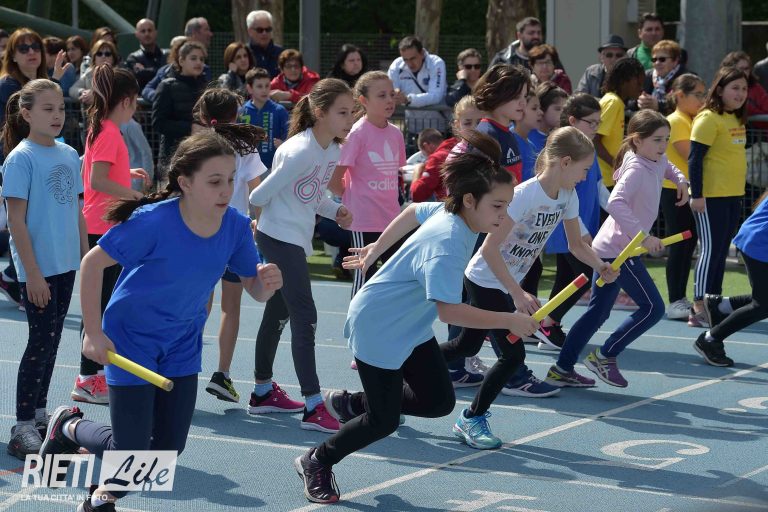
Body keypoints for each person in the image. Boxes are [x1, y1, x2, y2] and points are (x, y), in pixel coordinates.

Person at [40, 131, 282, 512]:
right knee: (132, 449)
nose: (226, 190)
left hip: (182, 343)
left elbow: (254, 288)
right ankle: (72, 435)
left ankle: (91, 471)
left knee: (168, 450)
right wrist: (93, 333)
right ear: (185, 183)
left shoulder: (235, 226)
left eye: (231, 179)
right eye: (215, 181)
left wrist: (265, 284)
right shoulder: (153, 221)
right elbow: (92, 264)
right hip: (131, 340)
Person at [294, 130, 528, 503]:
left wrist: (375, 250)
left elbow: (412, 212)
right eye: (498, 206)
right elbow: (449, 311)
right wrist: (509, 320)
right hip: (378, 327)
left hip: (410, 326)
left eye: (507, 205)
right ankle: (318, 460)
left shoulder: (455, 212)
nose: (504, 215)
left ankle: (356, 402)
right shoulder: (447, 243)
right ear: (470, 199)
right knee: (383, 422)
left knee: (438, 402)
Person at [445, 127, 617, 448]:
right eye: (583, 170)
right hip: (485, 279)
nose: (585, 177)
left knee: (465, 346)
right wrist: (517, 293)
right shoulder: (524, 195)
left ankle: (405, 367)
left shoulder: (567, 196)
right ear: (565, 162)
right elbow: (489, 249)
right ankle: (471, 418)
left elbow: (576, 244)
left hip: (505, 282)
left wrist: (599, 265)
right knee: (512, 356)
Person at [548, 110, 689, 389]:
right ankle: (605, 355)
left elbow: (669, 166)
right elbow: (615, 202)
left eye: (666, 139)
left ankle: (561, 369)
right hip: (618, 251)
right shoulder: (636, 168)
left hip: (616, 248)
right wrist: (643, 236)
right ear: (637, 140)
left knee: (597, 313)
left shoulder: (656, 158)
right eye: (657, 140)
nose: (663, 145)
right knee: (653, 308)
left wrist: (681, 180)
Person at [248, 78, 354, 433]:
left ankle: (262, 392)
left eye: (351, 112)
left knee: (279, 311)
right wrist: (256, 225)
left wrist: (334, 209)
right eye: (343, 112)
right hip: (279, 238)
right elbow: (259, 195)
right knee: (305, 314)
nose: (350, 119)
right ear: (320, 113)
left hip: (292, 238)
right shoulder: (300, 152)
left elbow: (309, 194)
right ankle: (313, 405)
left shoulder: (331, 149)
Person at [2, 79, 87, 459]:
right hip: (38, 269)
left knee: (52, 342)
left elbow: (76, 210)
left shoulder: (69, 154)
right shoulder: (21, 159)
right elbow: (16, 222)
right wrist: (32, 273)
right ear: (26, 113)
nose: (57, 116)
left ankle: (39, 416)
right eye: (48, 109)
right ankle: (22, 425)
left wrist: (85, 257)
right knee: (39, 342)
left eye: (61, 109)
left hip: (65, 265)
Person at [74, 65, 150, 405]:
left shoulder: (101, 127)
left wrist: (125, 172)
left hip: (101, 224)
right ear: (126, 101)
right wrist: (134, 195)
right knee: (101, 306)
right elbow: (97, 181)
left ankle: (93, 374)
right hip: (103, 227)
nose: (135, 109)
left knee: (103, 304)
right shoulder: (109, 132)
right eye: (135, 102)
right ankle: (88, 377)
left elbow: (93, 172)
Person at [193, 88, 268, 402]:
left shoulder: (199, 146)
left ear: (204, 117)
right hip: (236, 234)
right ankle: (222, 374)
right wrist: (259, 223)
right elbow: (257, 192)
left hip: (203, 231)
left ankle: (182, 366)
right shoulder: (245, 147)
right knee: (231, 307)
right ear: (236, 115)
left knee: (198, 304)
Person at [0, 28, 70, 306]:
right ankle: (20, 278)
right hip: (14, 166)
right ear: (12, 56)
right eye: (23, 48)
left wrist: (54, 80)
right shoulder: (7, 86)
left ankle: (13, 276)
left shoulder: (42, 84)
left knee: (35, 224)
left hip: (39, 166)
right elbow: (16, 128)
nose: (31, 52)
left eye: (35, 47)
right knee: (20, 223)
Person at [329, 71, 406, 297]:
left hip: (391, 219)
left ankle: (386, 318)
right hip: (364, 220)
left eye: (391, 94)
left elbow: (394, 174)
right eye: (381, 95)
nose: (389, 100)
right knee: (364, 277)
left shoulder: (396, 134)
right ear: (363, 100)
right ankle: (357, 318)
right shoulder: (357, 133)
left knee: (395, 278)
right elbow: (334, 179)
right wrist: (352, 198)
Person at [541, 94, 607, 350]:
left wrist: (622, 214)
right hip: (567, 228)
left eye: (598, 122)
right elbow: (561, 196)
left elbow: (600, 188)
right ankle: (548, 324)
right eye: (591, 122)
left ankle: (548, 324)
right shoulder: (563, 155)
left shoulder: (588, 151)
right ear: (572, 121)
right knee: (586, 275)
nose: (596, 127)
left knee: (567, 278)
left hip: (582, 226)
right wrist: (581, 230)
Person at [689, 67, 748, 327]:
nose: (740, 93)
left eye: (744, 88)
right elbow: (695, 159)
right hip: (709, 199)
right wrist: (697, 195)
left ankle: (713, 304)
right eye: (735, 88)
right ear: (720, 89)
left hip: (733, 196)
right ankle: (698, 307)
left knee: (721, 251)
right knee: (709, 251)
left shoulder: (736, 119)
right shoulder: (708, 118)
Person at [693, 192, 768, 367]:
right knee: (763, 305)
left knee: (764, 298)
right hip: (759, 243)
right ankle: (710, 339)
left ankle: (720, 306)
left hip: (757, 240)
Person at [662, 74, 706, 320]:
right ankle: (675, 299)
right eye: (698, 94)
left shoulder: (689, 119)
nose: (703, 99)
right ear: (680, 95)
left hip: (685, 188)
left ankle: (680, 297)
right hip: (674, 190)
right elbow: (691, 155)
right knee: (679, 245)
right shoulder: (677, 120)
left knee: (688, 245)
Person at [410, 95, 482, 203]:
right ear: (457, 125)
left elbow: (416, 194)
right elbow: (418, 194)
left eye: (480, 122)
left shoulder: (493, 147)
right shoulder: (454, 154)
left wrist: (416, 174)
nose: (474, 128)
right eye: (467, 123)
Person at [152, 41, 207, 166]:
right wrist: (190, 128)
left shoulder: (205, 86)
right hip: (173, 155)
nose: (199, 62)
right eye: (193, 58)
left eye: (202, 59)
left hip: (201, 153)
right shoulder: (167, 86)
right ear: (181, 61)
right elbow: (158, 123)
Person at [595, 57, 646, 187]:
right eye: (638, 83)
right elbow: (594, 140)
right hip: (604, 179)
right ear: (625, 80)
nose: (641, 88)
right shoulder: (613, 102)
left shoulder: (617, 103)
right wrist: (616, 165)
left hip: (609, 177)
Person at [387, 35, 448, 136]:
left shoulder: (436, 63)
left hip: (437, 130)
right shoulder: (396, 65)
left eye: (413, 58)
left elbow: (436, 96)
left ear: (422, 53)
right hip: (412, 129)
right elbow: (390, 90)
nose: (409, 64)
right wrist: (396, 95)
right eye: (405, 59)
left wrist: (408, 99)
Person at [239, 67, 289, 170]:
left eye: (267, 86)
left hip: (273, 169)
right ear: (249, 88)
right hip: (247, 170)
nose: (264, 90)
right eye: (259, 86)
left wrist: (283, 145)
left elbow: (291, 139)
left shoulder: (279, 111)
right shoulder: (241, 111)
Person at [633, 40, 689, 115]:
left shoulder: (686, 79)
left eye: (662, 59)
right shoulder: (647, 75)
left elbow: (686, 104)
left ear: (675, 61)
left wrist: (659, 106)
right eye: (654, 60)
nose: (657, 63)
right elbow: (630, 101)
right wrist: (640, 102)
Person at [69, 40, 119, 104]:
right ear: (94, 58)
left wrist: (96, 96)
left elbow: (119, 95)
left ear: (113, 58)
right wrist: (84, 93)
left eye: (107, 54)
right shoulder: (89, 73)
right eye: (99, 54)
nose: (103, 56)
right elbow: (72, 89)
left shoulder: (119, 75)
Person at [720, 51, 768, 118]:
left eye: (746, 69)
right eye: (741, 69)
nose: (744, 72)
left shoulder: (755, 87)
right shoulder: (723, 87)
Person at [124, 18, 168, 90]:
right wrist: (163, 70)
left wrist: (146, 70)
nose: (147, 34)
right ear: (137, 34)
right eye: (143, 31)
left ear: (155, 32)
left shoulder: (167, 55)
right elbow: (140, 76)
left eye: (149, 30)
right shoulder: (133, 58)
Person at [513, 88, 543, 183]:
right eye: (534, 108)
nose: (541, 112)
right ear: (519, 109)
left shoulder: (531, 145)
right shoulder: (511, 143)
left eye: (539, 108)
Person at [528, 82, 569, 152]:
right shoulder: (526, 134)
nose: (563, 114)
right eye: (557, 109)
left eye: (565, 109)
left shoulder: (558, 138)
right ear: (542, 108)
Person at [246, 10, 283, 78]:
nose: (264, 33)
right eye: (260, 30)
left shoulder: (281, 54)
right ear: (250, 31)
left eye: (268, 29)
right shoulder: (244, 54)